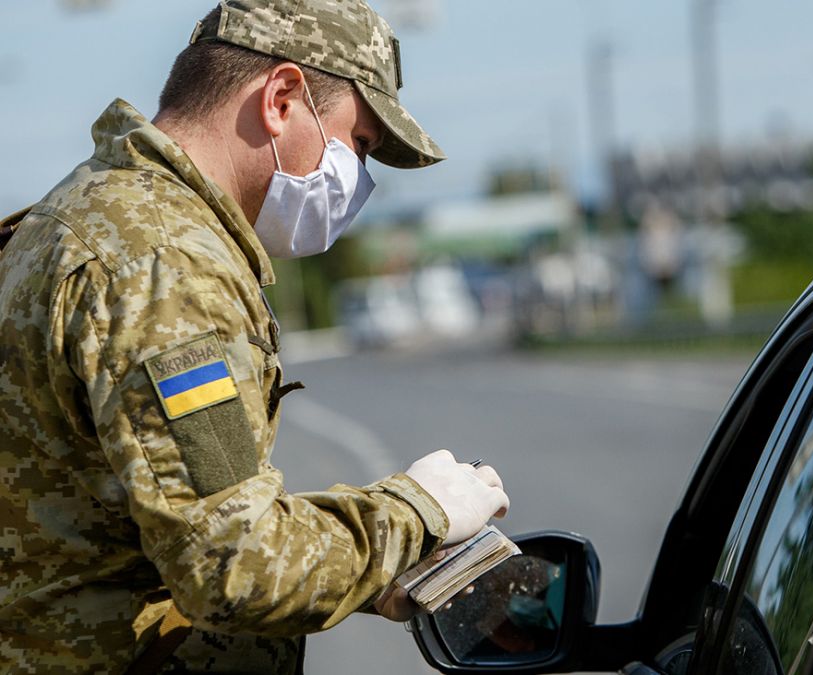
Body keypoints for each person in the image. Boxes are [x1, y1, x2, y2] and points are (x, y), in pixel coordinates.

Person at [0, 1, 509, 672]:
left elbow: (134, 524)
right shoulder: (164, 263)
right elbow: (234, 567)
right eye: (358, 144)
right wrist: (419, 511)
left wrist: (370, 568)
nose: (360, 180)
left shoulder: (84, 212)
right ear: (281, 98)